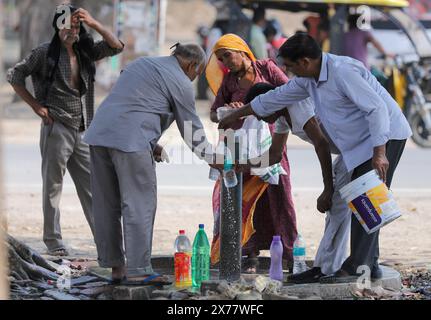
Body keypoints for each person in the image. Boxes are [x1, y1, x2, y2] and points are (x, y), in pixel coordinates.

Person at [219, 33, 412, 283]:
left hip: (384, 137)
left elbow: (376, 109)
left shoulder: (343, 71)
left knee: (366, 202)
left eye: (289, 65)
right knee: (359, 202)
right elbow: (273, 98)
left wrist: (379, 153)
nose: (286, 70)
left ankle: (357, 266)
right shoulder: (307, 80)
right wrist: (237, 115)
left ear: (306, 61)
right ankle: (363, 265)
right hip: (355, 145)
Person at [84, 43, 221, 283]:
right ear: (192, 65)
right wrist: (212, 158)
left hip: (99, 135)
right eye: (195, 74)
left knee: (106, 205)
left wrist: (151, 142)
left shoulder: (142, 63)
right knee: (139, 204)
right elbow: (190, 128)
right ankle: (139, 271)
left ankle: (116, 268)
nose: (192, 78)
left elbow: (135, 104)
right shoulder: (179, 80)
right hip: (130, 140)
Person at [206, 34, 333, 273]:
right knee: (244, 201)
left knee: (279, 196)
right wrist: (242, 162)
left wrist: (328, 187)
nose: (226, 62)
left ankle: (290, 254)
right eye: (221, 59)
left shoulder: (270, 74)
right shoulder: (230, 83)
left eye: (228, 55)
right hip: (243, 145)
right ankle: (248, 252)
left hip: (272, 140)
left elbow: (290, 92)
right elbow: (215, 114)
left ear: (242, 50)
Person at [6, 5, 124, 256]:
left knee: (93, 187)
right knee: (53, 187)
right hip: (56, 127)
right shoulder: (43, 54)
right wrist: (37, 107)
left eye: (76, 26)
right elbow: (15, 75)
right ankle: (53, 241)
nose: (72, 30)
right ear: (57, 26)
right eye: (68, 25)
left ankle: (104, 240)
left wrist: (93, 23)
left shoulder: (85, 52)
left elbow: (116, 46)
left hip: (83, 129)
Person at [240, 83, 352, 284]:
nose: (257, 118)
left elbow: (321, 144)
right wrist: (241, 165)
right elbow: (274, 155)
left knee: (339, 209)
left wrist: (327, 188)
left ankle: (330, 269)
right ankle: (327, 267)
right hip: (347, 152)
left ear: (269, 103)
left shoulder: (297, 105)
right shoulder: (283, 116)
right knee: (338, 212)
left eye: (258, 111)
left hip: (357, 148)